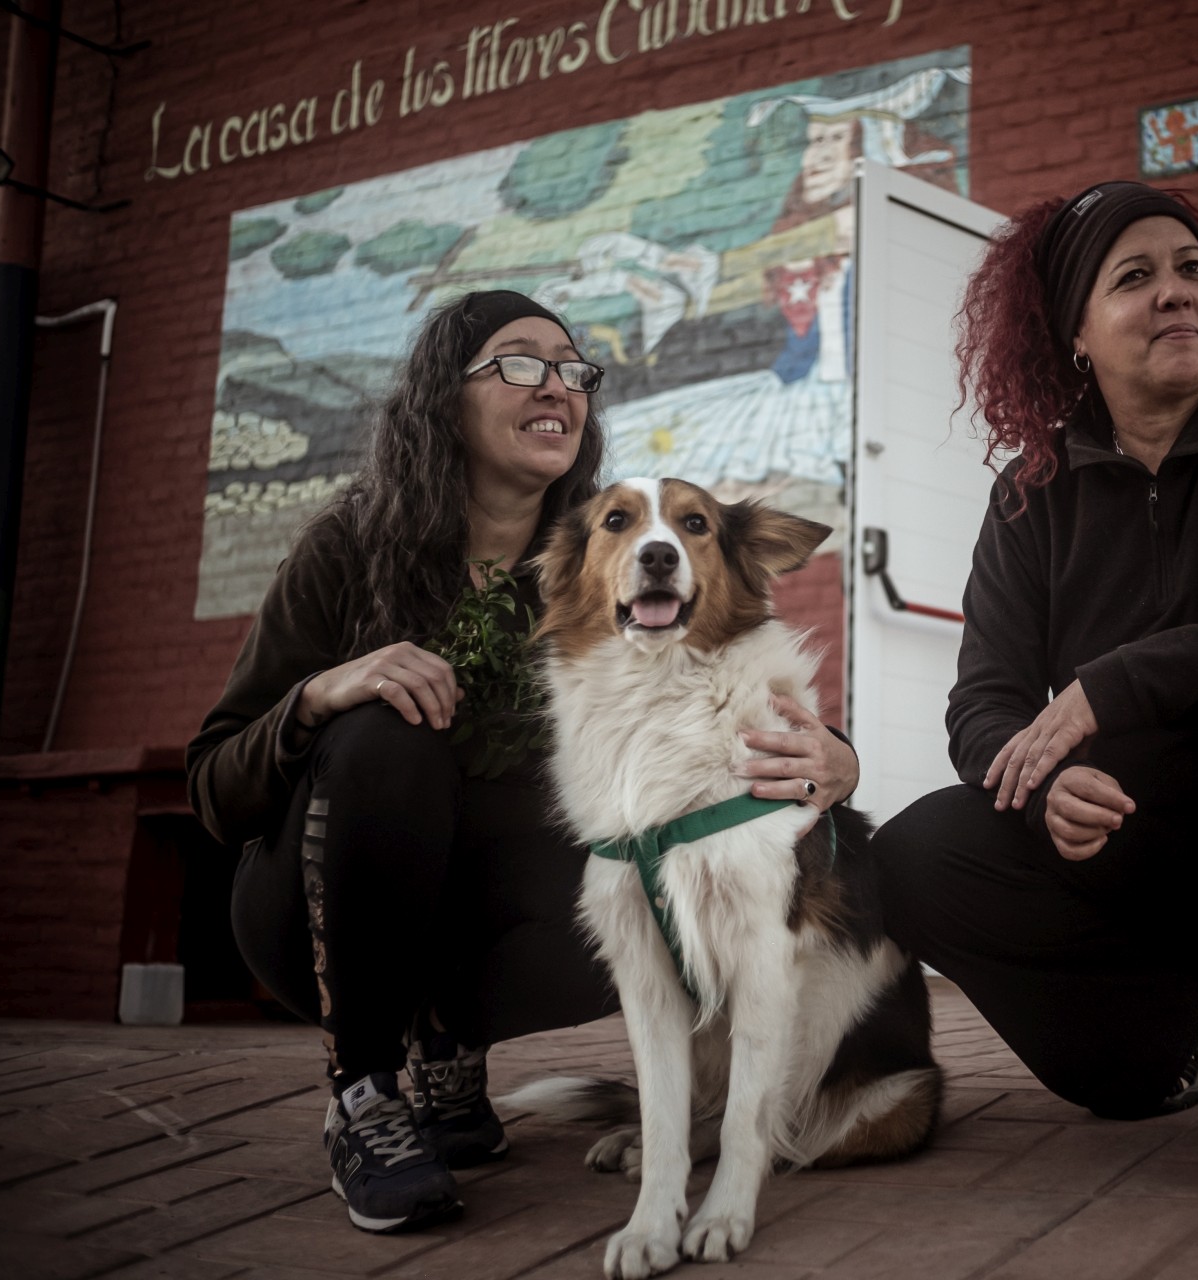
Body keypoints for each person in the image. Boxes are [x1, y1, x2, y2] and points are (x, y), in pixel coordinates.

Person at [187, 290, 859, 1233]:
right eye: (518, 362)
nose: (557, 385)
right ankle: (366, 1093)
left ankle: (451, 1048)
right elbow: (214, 787)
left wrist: (834, 759)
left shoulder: (603, 554)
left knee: (633, 863)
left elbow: (715, 710)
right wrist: (323, 692)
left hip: (483, 933)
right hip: (317, 914)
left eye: (573, 369)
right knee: (386, 735)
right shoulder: (350, 544)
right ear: (442, 398)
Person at [871, 182, 1198, 1186]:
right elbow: (982, 702)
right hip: (1136, 862)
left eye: (1192, 269)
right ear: (1074, 332)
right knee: (908, 849)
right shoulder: (1033, 491)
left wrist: (1108, 686)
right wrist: (1035, 790)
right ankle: (1153, 1027)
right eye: (1135, 277)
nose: (1175, 293)